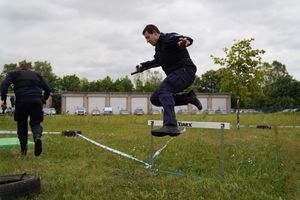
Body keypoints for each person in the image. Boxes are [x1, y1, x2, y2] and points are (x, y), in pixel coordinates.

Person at [135, 24, 202, 137]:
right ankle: (187, 98)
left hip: (185, 71)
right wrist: (143, 66)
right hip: (176, 74)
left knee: (165, 90)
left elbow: (185, 39)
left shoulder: (168, 38)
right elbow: (157, 61)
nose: (147, 41)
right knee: (155, 99)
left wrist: (184, 42)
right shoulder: (159, 49)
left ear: (155, 33)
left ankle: (171, 125)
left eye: (148, 37)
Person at [1, 60, 51, 156]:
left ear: (20, 68)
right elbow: (48, 89)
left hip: (21, 101)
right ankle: (37, 138)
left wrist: (3, 99)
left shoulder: (14, 74)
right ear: (28, 69)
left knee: (22, 125)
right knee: (36, 123)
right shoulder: (37, 75)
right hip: (36, 101)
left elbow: (4, 84)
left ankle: (23, 152)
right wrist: (43, 99)